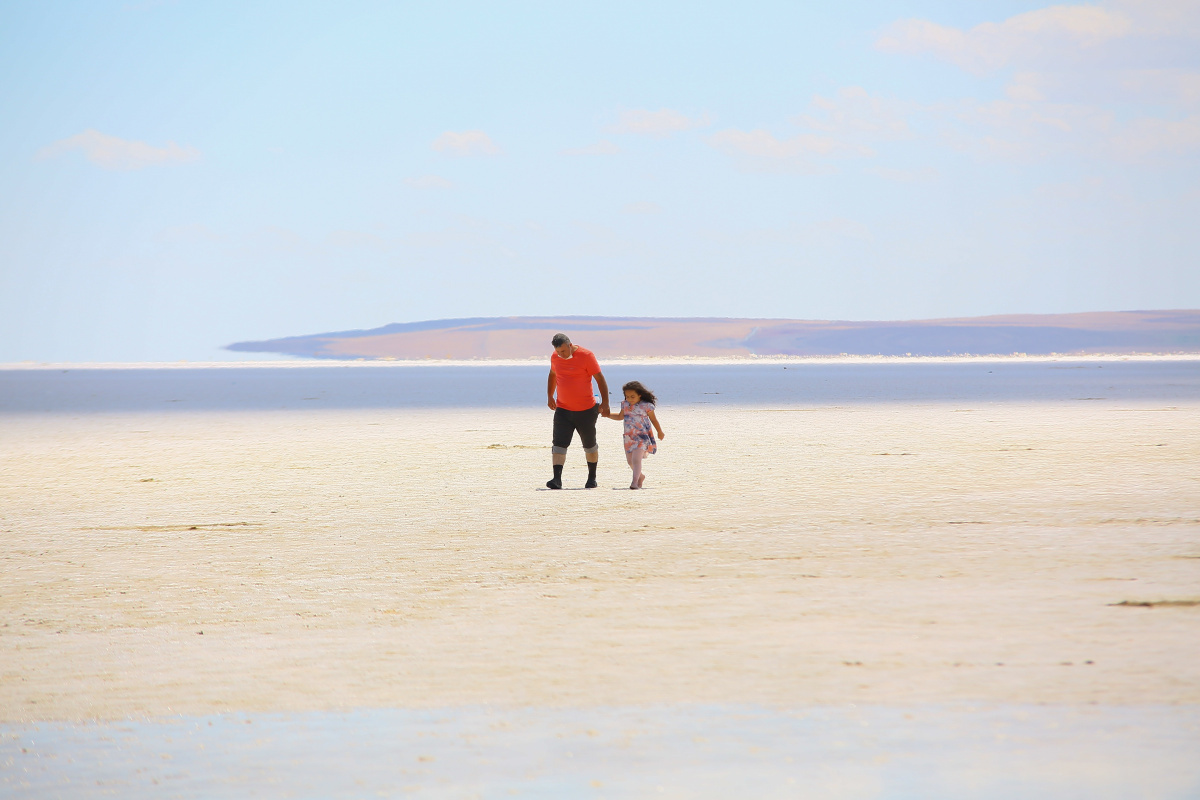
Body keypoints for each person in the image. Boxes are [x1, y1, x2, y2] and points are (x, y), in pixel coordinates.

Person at [546, 333, 610, 489]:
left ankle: (592, 478)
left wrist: (606, 403)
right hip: (563, 409)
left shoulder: (586, 355)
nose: (561, 355)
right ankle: (556, 479)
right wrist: (550, 396)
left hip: (586, 410)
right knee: (559, 444)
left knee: (589, 445)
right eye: (558, 352)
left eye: (563, 351)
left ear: (569, 345)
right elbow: (553, 374)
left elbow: (600, 378)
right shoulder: (555, 357)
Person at [603, 381, 664, 489]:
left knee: (636, 460)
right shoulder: (625, 404)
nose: (630, 399)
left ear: (639, 394)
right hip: (628, 437)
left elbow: (653, 420)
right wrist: (607, 415)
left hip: (642, 436)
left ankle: (634, 482)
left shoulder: (647, 406)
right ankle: (640, 477)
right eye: (627, 396)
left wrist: (659, 431)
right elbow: (620, 416)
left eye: (632, 396)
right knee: (630, 461)